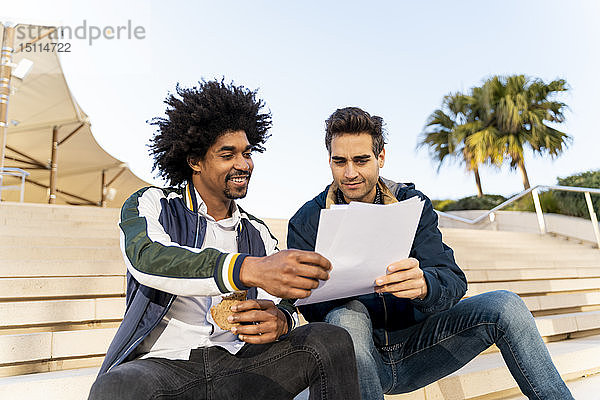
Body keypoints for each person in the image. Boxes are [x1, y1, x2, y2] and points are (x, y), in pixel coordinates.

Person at [88, 81, 360, 400]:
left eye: (246, 153)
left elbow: (284, 297)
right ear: (195, 161)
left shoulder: (257, 232)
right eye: (227, 154)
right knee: (115, 388)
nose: (243, 164)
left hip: (240, 365)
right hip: (164, 366)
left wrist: (282, 318)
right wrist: (245, 269)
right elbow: (147, 256)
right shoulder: (152, 203)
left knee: (331, 340)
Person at [287, 107, 573, 400]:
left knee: (507, 306)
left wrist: (426, 285)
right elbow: (299, 303)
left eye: (361, 160)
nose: (349, 173)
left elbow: (452, 279)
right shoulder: (307, 221)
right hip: (358, 359)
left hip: (419, 347)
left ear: (381, 157)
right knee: (349, 316)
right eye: (339, 161)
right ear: (329, 161)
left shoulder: (412, 204)